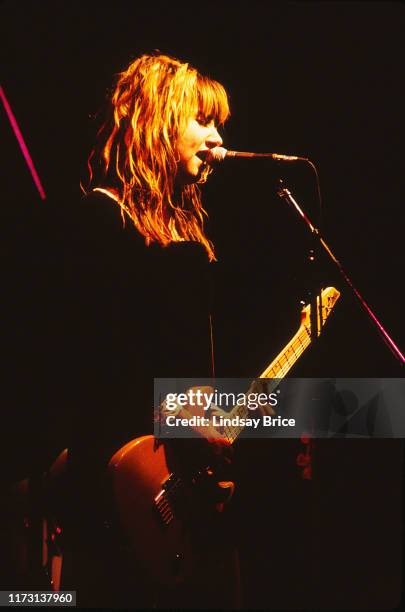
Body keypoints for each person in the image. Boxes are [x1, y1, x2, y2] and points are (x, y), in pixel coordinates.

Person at [57, 53, 240, 608]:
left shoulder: (183, 243)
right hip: (117, 497)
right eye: (202, 120)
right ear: (157, 119)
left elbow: (188, 389)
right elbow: (94, 375)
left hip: (173, 500)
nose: (216, 140)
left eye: (220, 126)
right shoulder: (102, 222)